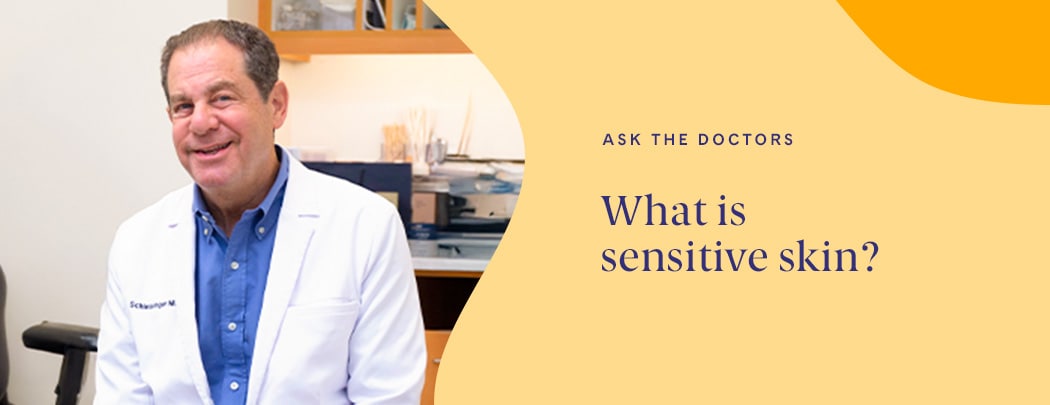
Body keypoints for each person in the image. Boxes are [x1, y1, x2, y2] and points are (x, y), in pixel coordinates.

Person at [95, 19, 426, 404]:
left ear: (277, 105)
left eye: (222, 98)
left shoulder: (366, 227)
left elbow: (388, 397)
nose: (201, 123)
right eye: (183, 106)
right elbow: (123, 397)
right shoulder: (137, 241)